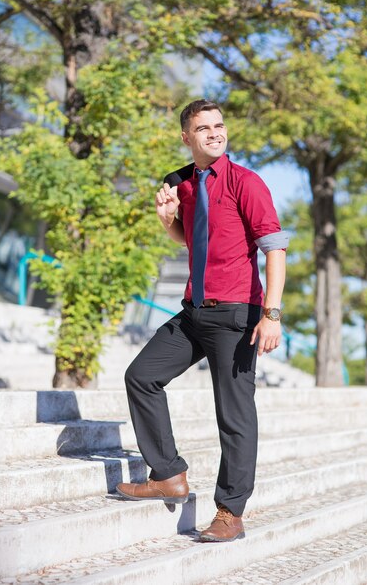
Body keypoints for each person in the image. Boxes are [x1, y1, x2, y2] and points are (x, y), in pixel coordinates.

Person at [116, 99, 289, 542]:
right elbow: (188, 239)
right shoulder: (183, 184)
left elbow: (275, 250)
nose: (215, 133)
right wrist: (167, 220)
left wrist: (272, 314)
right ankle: (169, 473)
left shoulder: (247, 183)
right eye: (203, 127)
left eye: (219, 125)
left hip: (238, 316)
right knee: (141, 376)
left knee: (234, 417)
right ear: (186, 136)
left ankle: (230, 512)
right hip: (194, 312)